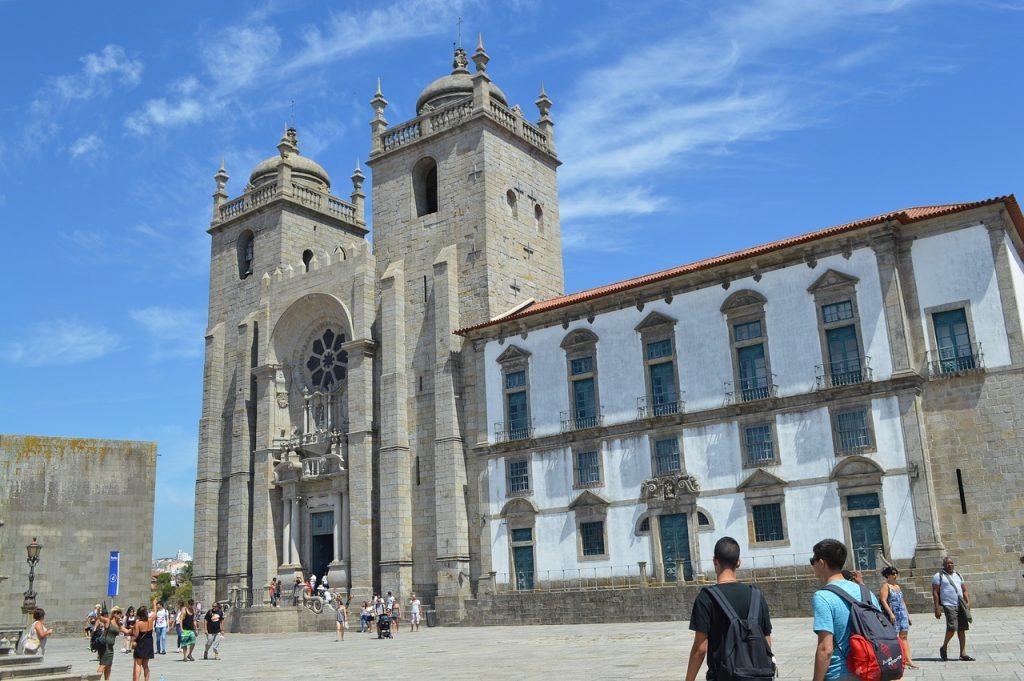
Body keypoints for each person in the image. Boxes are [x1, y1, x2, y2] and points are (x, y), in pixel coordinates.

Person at [684, 536, 773, 681]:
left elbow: (700, 649)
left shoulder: (706, 598)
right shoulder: (756, 595)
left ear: (715, 561)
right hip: (758, 676)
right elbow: (766, 641)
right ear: (738, 563)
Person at [810, 538, 882, 681]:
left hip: (841, 673)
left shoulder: (823, 596)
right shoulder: (866, 592)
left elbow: (826, 649)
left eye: (814, 559)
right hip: (871, 670)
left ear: (822, 562)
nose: (813, 563)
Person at [932, 556, 973, 661]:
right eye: (947, 563)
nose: (950, 565)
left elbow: (964, 589)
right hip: (948, 604)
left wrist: (968, 601)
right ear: (944, 565)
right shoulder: (938, 576)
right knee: (952, 627)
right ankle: (944, 647)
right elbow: (935, 592)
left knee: (962, 628)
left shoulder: (958, 575)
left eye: (951, 563)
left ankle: (963, 653)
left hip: (960, 604)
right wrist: (937, 607)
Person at [879, 566, 917, 669]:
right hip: (894, 613)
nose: (895, 575)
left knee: (904, 637)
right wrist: (890, 613)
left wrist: (908, 615)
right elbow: (883, 600)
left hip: (902, 613)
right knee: (894, 637)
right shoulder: (885, 586)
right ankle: (898, 659)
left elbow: (902, 601)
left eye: (896, 573)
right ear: (888, 575)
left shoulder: (897, 587)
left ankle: (908, 659)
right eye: (893, 573)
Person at [96, 607, 131, 681]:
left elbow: (127, 632)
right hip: (104, 646)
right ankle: (95, 679)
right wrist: (98, 611)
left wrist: (135, 627)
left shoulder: (119, 625)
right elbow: (100, 617)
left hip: (111, 647)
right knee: (103, 665)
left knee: (108, 666)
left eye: (120, 613)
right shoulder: (108, 620)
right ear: (114, 614)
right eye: (118, 613)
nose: (120, 614)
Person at [130, 600, 157, 681]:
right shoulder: (150, 620)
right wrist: (154, 604)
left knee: (138, 664)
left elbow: (136, 635)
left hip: (141, 644)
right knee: (145, 665)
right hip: (149, 644)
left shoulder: (138, 623)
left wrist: (133, 629)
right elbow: (155, 613)